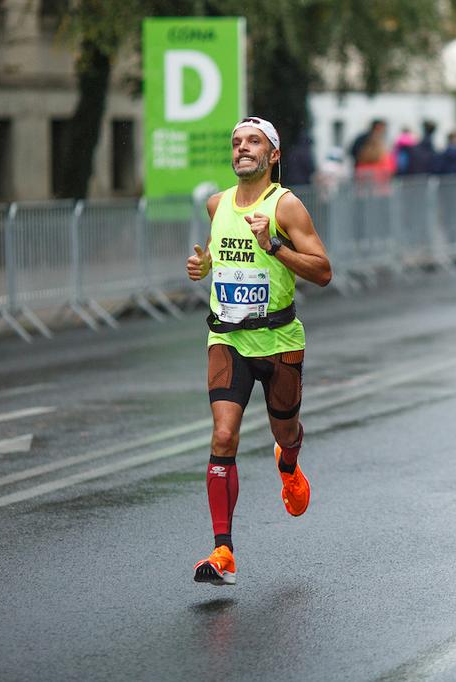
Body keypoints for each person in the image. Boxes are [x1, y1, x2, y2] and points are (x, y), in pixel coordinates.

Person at [186, 116, 333, 585]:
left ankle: (288, 464)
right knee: (223, 437)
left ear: (273, 155)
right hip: (227, 336)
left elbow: (323, 271)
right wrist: (202, 264)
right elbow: (218, 253)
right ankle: (222, 552)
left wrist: (274, 246)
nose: (241, 148)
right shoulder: (217, 204)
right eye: (236, 142)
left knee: (285, 429)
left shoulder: (286, 206)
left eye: (253, 142)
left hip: (279, 340)